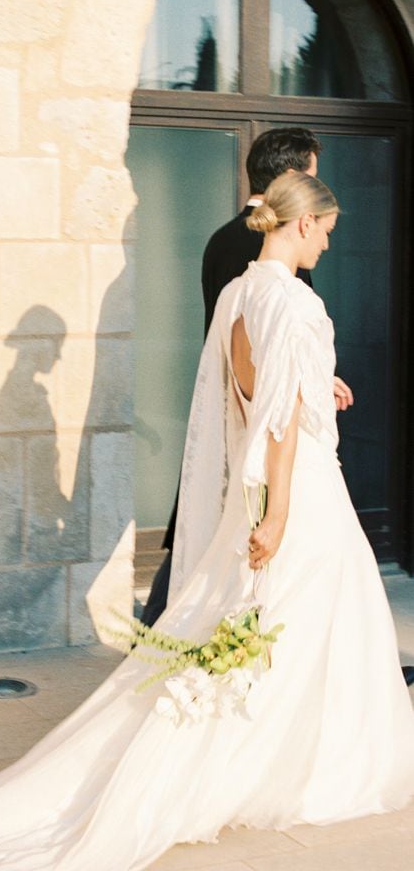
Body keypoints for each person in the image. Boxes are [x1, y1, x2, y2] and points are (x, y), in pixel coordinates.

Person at [0, 171, 414, 871]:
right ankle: (292, 767)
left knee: (272, 628)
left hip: (259, 491)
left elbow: (255, 389)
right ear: (301, 224)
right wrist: (280, 509)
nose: (327, 243)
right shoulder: (294, 304)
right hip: (301, 493)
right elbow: (280, 421)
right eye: (325, 229)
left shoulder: (239, 294)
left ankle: (280, 759)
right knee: (311, 624)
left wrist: (308, 386)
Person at [141, 126, 353, 628]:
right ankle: (164, 635)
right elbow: (276, 377)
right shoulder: (278, 273)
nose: (323, 241)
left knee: (217, 542)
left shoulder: (224, 245)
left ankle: (163, 634)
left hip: (239, 406)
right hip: (268, 431)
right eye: (313, 180)